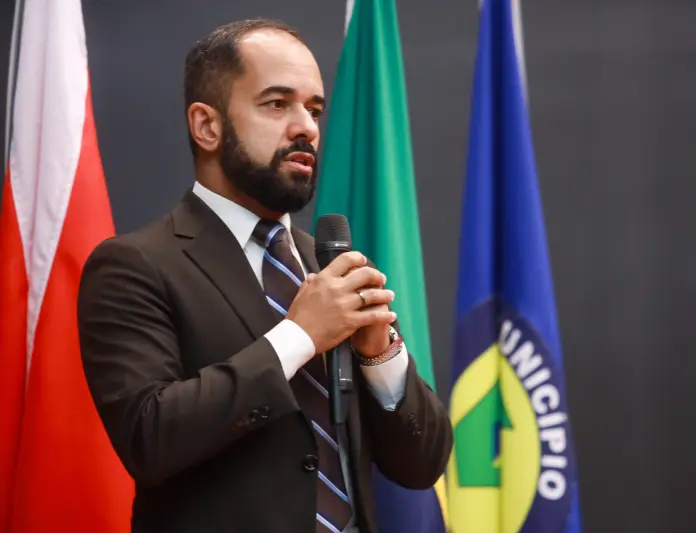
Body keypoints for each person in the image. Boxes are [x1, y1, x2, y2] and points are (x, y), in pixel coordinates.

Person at [77, 18, 452, 533]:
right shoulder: (135, 266)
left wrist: (379, 356)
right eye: (277, 104)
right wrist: (299, 336)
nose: (307, 127)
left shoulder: (329, 267)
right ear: (207, 126)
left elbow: (422, 463)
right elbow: (150, 436)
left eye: (314, 109)